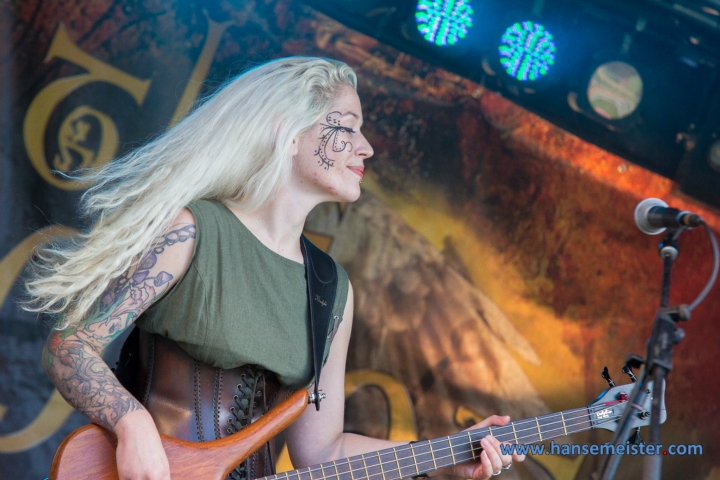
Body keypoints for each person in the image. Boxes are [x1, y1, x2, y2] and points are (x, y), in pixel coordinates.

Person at [26, 57, 524, 480]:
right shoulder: (193, 231)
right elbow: (69, 347)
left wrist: (449, 454)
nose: (366, 147)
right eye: (347, 127)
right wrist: (131, 425)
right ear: (288, 133)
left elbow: (322, 453)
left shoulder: (331, 290)